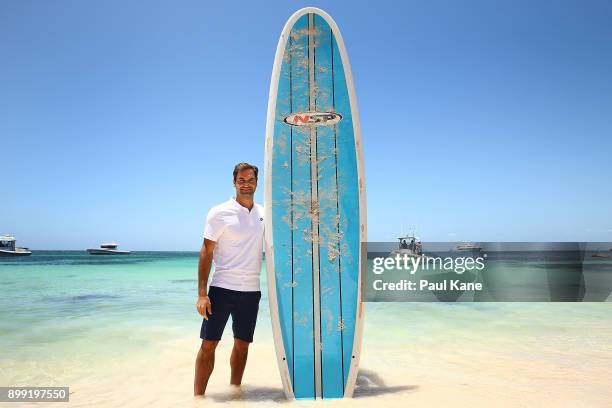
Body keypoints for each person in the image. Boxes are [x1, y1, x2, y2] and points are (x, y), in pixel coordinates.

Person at [193, 162, 264, 397]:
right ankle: (198, 398)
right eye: (241, 180)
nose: (246, 184)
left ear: (256, 182)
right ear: (234, 182)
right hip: (222, 289)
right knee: (209, 343)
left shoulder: (264, 214)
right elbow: (206, 251)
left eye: (250, 180)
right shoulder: (219, 212)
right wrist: (202, 294)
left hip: (251, 291)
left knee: (243, 345)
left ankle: (235, 392)